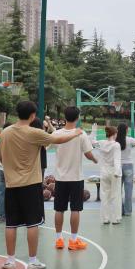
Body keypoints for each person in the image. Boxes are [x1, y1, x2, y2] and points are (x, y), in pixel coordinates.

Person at [0, 101, 83, 269]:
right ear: (33, 115)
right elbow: (58, 139)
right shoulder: (34, 132)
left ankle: (10, 261)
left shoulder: (5, 132)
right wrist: (76, 133)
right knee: (32, 224)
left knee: (10, 224)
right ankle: (32, 260)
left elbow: (0, 156)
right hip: (30, 184)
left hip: (11, 185)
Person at [51, 106, 97, 251]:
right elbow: (88, 154)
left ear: (64, 117)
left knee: (59, 209)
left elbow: (45, 146)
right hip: (76, 178)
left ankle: (59, 239)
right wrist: (95, 159)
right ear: (77, 118)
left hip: (60, 178)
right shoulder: (81, 134)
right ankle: (73, 240)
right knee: (75, 209)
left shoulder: (57, 133)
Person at [93, 125, 123, 225]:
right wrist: (117, 172)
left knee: (104, 195)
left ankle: (105, 218)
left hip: (104, 171)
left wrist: (94, 131)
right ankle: (115, 218)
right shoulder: (116, 145)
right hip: (114, 171)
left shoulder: (101, 143)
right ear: (114, 134)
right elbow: (117, 159)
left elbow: (92, 142)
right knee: (116, 195)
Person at [117, 124, 135, 216]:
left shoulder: (115, 140)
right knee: (128, 190)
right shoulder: (130, 140)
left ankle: (119, 210)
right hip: (128, 165)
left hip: (117, 166)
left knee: (118, 190)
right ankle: (128, 211)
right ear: (126, 130)